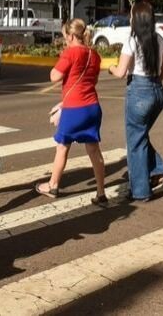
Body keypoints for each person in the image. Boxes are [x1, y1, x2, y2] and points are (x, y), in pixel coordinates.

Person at [35, 19, 107, 205]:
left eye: (65, 35)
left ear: (72, 35)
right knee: (94, 149)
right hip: (92, 107)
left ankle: (53, 185)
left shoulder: (70, 53)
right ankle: (101, 192)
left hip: (75, 108)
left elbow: (54, 76)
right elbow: (92, 82)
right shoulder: (94, 54)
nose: (64, 39)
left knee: (62, 147)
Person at [108, 1, 163, 202]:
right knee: (140, 136)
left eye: (131, 15)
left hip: (139, 92)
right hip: (156, 92)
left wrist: (111, 68)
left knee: (135, 142)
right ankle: (158, 169)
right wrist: (154, 84)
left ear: (137, 19)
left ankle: (140, 191)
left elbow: (121, 72)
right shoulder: (159, 39)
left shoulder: (132, 40)